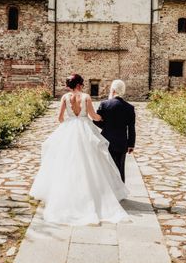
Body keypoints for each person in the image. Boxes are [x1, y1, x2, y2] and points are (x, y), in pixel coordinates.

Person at [29, 73, 129, 225]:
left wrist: (68, 124)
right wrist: (102, 119)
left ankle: (65, 193)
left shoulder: (64, 98)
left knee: (66, 161)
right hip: (84, 128)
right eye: (81, 84)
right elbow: (93, 116)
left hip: (69, 128)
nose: (82, 86)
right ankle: (91, 193)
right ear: (79, 85)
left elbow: (60, 118)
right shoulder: (86, 97)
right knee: (90, 161)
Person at [94, 79, 136, 182]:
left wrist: (106, 126)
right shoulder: (129, 107)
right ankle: (120, 191)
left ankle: (108, 190)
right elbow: (131, 127)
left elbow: (96, 121)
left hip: (106, 139)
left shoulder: (104, 104)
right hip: (122, 142)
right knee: (120, 167)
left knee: (106, 167)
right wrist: (131, 144)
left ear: (113, 90)